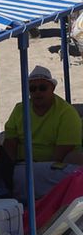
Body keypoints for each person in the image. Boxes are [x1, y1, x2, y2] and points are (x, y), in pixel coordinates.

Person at [4, 65, 80, 196]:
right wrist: (8, 166)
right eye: (32, 89)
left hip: (53, 167)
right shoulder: (19, 110)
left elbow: (61, 153)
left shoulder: (66, 113)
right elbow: (10, 142)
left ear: (52, 88)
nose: (37, 92)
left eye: (43, 88)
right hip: (22, 165)